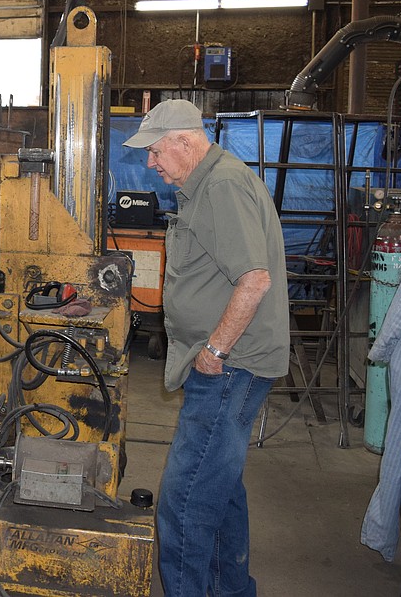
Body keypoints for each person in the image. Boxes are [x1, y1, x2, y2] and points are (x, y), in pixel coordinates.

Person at [122, 99, 290, 597]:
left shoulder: (220, 186)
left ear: (185, 141)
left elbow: (254, 280)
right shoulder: (206, 183)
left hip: (230, 367)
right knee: (220, 492)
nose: (151, 163)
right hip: (231, 365)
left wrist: (214, 350)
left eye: (155, 152)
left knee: (185, 502)